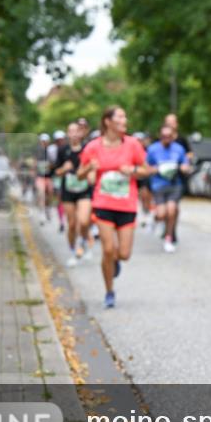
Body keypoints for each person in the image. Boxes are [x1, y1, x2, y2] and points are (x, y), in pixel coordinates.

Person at [78, 107, 152, 308]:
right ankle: (109, 291)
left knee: (124, 254)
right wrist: (89, 168)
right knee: (108, 249)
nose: (124, 119)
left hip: (127, 204)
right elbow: (79, 174)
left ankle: (115, 262)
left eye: (124, 116)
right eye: (120, 116)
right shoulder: (93, 147)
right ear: (108, 122)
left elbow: (147, 170)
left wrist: (133, 170)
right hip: (103, 203)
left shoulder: (133, 145)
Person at [146, 125, 191, 252]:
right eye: (164, 136)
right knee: (161, 214)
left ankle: (169, 237)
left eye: (169, 137)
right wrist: (155, 169)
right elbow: (145, 167)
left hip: (174, 184)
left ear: (173, 137)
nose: (167, 139)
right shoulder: (153, 149)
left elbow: (186, 163)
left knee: (171, 210)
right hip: (158, 185)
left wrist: (184, 167)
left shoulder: (179, 149)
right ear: (160, 136)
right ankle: (154, 219)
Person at [54, 121, 94, 267]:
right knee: (71, 225)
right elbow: (56, 172)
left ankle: (83, 243)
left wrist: (91, 174)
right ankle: (73, 250)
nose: (74, 134)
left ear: (81, 132)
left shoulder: (87, 149)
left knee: (83, 221)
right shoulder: (62, 150)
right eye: (71, 131)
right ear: (67, 133)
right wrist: (64, 169)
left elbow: (93, 166)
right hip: (68, 191)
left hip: (84, 190)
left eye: (77, 131)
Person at [163, 114, 193, 243]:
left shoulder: (181, 140)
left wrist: (184, 161)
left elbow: (190, 153)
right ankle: (167, 227)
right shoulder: (161, 139)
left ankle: (172, 230)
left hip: (178, 178)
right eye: (168, 122)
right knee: (165, 208)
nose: (171, 124)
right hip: (162, 178)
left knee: (174, 206)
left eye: (173, 122)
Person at [49, 130, 67, 232]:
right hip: (57, 177)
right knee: (60, 199)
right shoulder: (51, 150)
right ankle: (61, 222)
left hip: (69, 177)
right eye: (58, 140)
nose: (60, 141)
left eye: (61, 139)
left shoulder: (68, 148)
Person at [34, 133, 53, 224]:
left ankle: (48, 208)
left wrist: (51, 166)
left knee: (49, 194)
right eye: (42, 141)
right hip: (40, 177)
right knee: (41, 194)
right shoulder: (37, 152)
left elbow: (55, 163)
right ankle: (42, 213)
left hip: (49, 177)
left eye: (45, 141)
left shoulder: (51, 151)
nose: (44, 143)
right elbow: (34, 164)